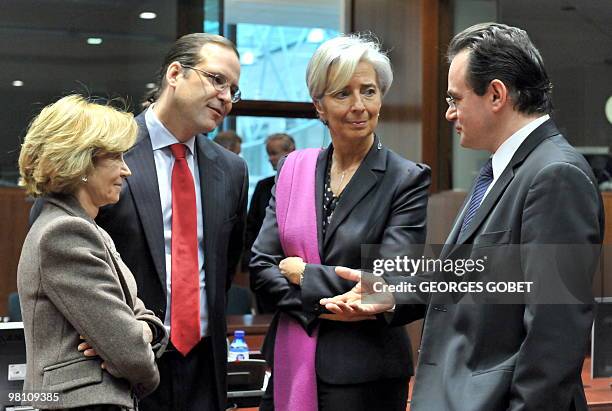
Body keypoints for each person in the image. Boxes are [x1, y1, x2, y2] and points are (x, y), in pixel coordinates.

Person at [322, 23, 604, 411]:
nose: (448, 113)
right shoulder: (502, 169)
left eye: (455, 98)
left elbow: (554, 334)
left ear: (496, 94)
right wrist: (388, 292)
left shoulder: (555, 174)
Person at [250, 34, 431, 411]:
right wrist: (327, 299)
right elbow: (261, 269)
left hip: (364, 375)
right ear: (319, 105)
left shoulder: (406, 179)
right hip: (290, 364)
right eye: (342, 94)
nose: (359, 106)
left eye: (368, 91)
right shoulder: (293, 170)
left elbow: (392, 283)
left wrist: (304, 275)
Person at [94, 33, 248, 411]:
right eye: (217, 80)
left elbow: (224, 265)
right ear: (176, 74)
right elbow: (63, 238)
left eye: (233, 89)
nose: (226, 97)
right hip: (121, 363)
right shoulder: (108, 150)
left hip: (204, 366)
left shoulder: (231, 170)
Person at [17, 94, 167, 410]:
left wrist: (140, 331)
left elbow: (143, 323)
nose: (127, 171)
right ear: (81, 162)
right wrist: (137, 355)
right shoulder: (65, 232)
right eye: (116, 157)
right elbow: (130, 353)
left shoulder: (90, 229)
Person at [242, 133, 295, 280]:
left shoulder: (306, 184)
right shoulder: (263, 186)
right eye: (268, 154)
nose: (270, 158)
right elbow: (251, 224)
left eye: (274, 153)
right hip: (264, 262)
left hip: (296, 263)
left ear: (290, 152)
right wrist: (249, 257)